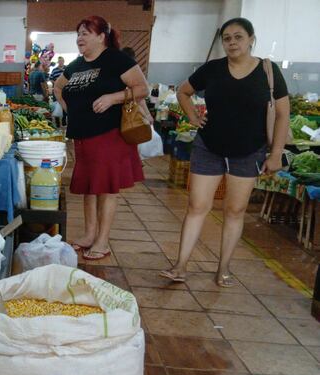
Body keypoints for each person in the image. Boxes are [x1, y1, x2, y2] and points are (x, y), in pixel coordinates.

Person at [160, 17, 289, 287]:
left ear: (251, 39)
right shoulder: (213, 69)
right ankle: (180, 266)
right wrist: (193, 116)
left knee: (234, 210)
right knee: (197, 206)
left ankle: (224, 269)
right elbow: (184, 92)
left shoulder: (268, 71)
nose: (232, 42)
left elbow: (282, 114)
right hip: (209, 147)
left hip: (249, 151)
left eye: (238, 37)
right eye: (227, 38)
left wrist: (276, 153)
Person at [53, 16, 148, 260]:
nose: (80, 38)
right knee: (89, 187)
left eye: (85, 33)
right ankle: (89, 234)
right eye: (78, 33)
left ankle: (102, 241)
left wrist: (112, 98)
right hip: (82, 137)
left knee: (106, 188)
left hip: (109, 135)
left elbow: (141, 88)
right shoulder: (76, 65)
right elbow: (58, 87)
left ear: (101, 36)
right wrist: (68, 108)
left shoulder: (116, 60)